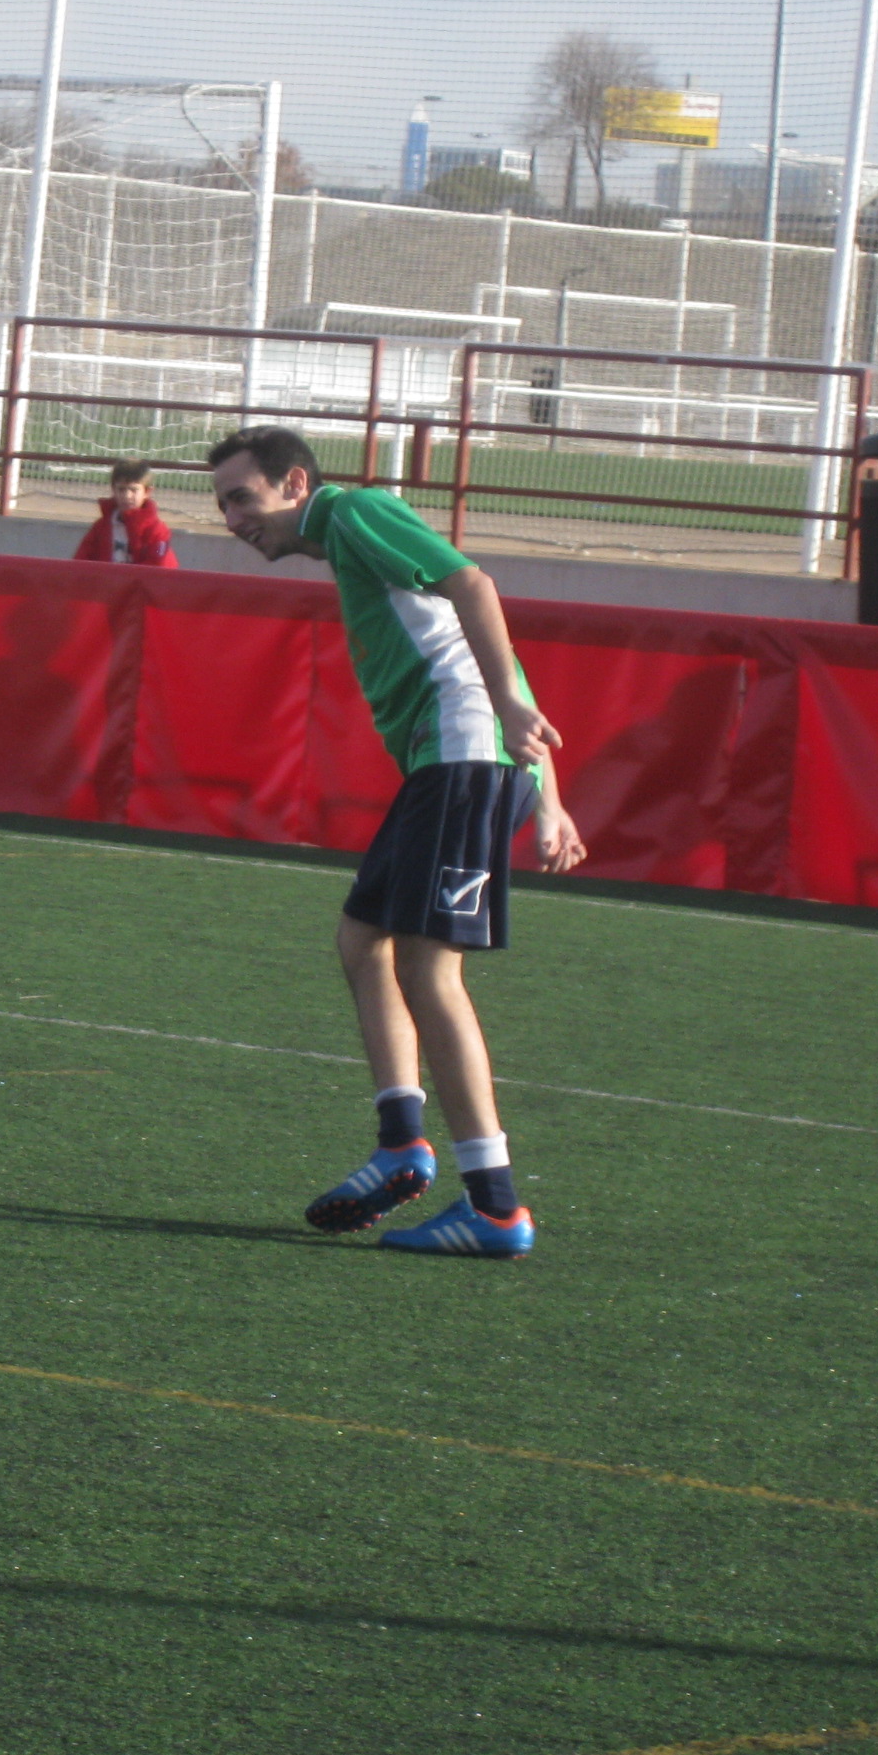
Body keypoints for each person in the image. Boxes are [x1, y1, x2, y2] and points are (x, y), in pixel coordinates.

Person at [206, 425, 587, 1258]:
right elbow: (486, 642)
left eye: (243, 497)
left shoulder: (354, 512)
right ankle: (400, 1143)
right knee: (362, 940)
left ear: (296, 484)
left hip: (460, 756)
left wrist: (520, 741)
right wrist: (548, 794)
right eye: (224, 504)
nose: (234, 518)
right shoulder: (350, 539)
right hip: (452, 761)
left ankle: (494, 1207)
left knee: (425, 964)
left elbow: (474, 585)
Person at [71, 459, 177, 567]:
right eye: (121, 490)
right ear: (113, 490)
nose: (127, 496)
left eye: (133, 490)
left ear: (147, 492)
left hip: (140, 583)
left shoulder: (157, 531)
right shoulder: (101, 527)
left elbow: (160, 562)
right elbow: (81, 561)